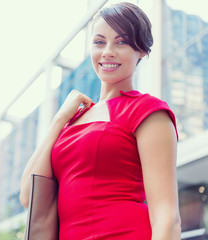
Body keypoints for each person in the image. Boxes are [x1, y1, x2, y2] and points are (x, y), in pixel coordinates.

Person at [19, 2, 181, 240]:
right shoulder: (70, 120)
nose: (107, 51)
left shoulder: (147, 111)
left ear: (142, 51)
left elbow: (166, 216)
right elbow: (28, 196)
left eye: (121, 42)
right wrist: (59, 119)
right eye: (99, 42)